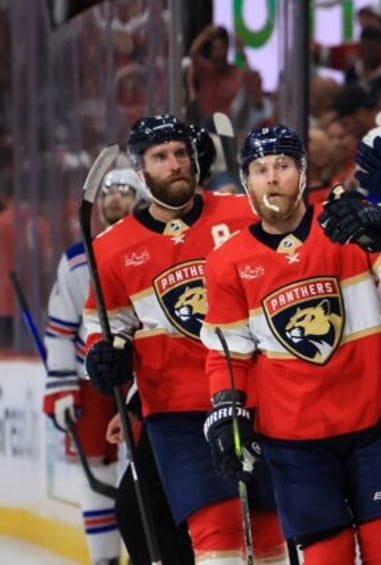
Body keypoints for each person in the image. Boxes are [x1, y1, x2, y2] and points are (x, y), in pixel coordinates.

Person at [201, 124, 381, 563]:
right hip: (294, 438)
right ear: (246, 181)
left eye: (282, 165)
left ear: (302, 172)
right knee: (327, 555)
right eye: (260, 169)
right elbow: (229, 353)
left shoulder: (345, 225)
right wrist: (227, 408)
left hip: (372, 421)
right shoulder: (228, 261)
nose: (273, 177)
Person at [82, 113, 287, 563]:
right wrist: (102, 355)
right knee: (215, 530)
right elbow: (105, 326)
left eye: (180, 153)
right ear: (140, 171)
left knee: (271, 527)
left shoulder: (240, 213)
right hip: (177, 412)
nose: (174, 163)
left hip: (257, 396)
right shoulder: (113, 247)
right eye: (160, 157)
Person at [42, 168, 143, 565]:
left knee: (139, 476)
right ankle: (104, 560)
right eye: (108, 193)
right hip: (91, 385)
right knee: (98, 479)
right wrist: (61, 387)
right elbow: (60, 330)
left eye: (124, 191)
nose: (115, 199)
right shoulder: (75, 261)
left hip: (140, 383)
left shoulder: (148, 251)